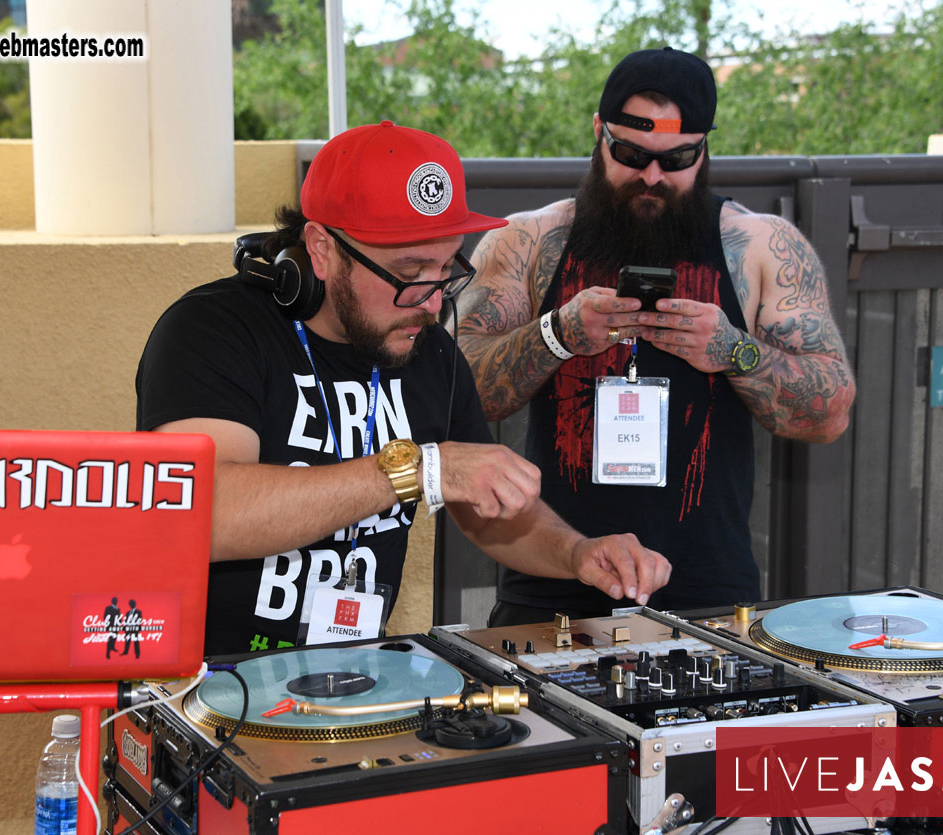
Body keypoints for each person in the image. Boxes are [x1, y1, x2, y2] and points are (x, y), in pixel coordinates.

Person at [136, 121, 671, 656]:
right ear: (322, 249)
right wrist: (417, 467)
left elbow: (491, 515)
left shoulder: (427, 349)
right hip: (208, 684)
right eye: (410, 273)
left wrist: (577, 553)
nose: (433, 302)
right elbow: (206, 514)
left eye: (446, 270)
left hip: (355, 681)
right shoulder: (213, 331)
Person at [456, 48, 856, 627]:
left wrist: (734, 351)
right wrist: (557, 333)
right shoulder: (526, 242)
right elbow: (456, 395)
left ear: (705, 149)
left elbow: (829, 415)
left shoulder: (763, 245)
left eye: (678, 159)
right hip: (551, 586)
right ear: (598, 133)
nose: (651, 176)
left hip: (710, 594)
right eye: (630, 153)